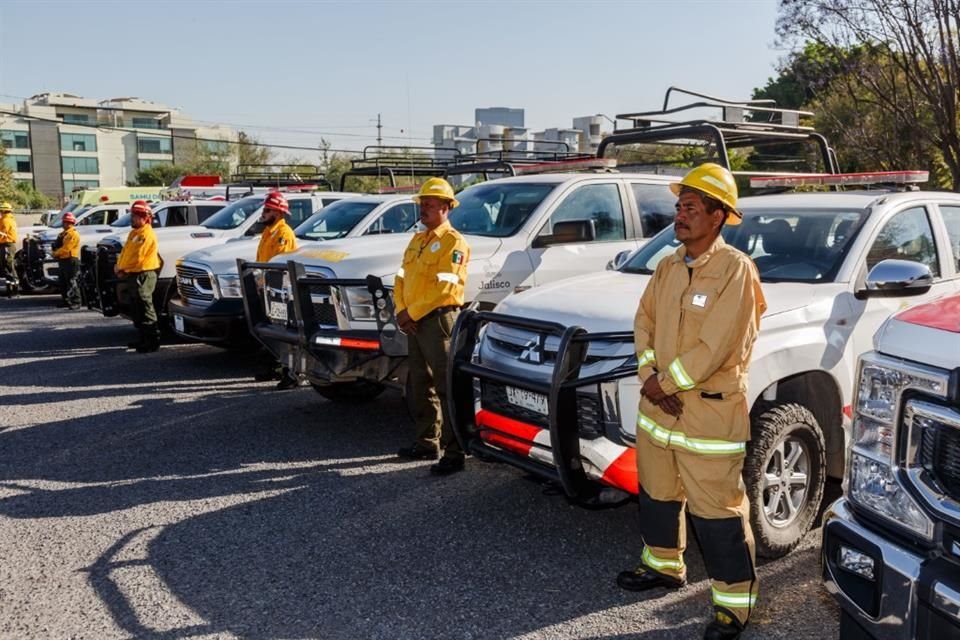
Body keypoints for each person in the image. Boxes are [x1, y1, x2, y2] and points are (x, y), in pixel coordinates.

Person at [617, 163, 767, 640]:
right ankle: (663, 566)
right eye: (679, 207)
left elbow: (717, 345)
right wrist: (649, 378)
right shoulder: (666, 266)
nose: (679, 215)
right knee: (657, 495)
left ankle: (733, 605)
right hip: (658, 410)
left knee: (718, 514)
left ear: (718, 216)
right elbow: (644, 323)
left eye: (691, 207)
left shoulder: (735, 271)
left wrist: (666, 384)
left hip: (708, 413)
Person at [395, 177, 471, 476]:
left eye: (429, 204)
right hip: (415, 321)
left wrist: (410, 313)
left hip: (437, 321)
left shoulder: (453, 242)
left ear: (446, 207)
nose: (423, 208)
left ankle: (454, 453)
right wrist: (401, 310)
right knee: (420, 383)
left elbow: (445, 288)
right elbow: (400, 277)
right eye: (422, 203)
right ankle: (427, 442)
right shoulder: (417, 240)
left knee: (445, 387)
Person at [252, 191, 301, 390]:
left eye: (267, 210)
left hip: (280, 290)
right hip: (268, 288)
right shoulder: (268, 231)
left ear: (278, 213)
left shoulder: (283, 233)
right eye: (264, 209)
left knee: (285, 331)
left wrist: (266, 281)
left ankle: (292, 374)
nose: (263, 213)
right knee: (272, 329)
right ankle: (273, 367)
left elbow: (280, 264)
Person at [115, 200, 161, 353]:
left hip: (144, 274)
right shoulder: (134, 233)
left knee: (145, 306)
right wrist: (120, 266)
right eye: (132, 215)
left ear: (144, 218)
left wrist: (122, 268)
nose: (132, 219)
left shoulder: (146, 234)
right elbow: (126, 253)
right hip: (133, 273)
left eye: (135, 216)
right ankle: (142, 338)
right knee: (137, 307)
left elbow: (138, 257)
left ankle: (152, 341)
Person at [52, 212, 81, 309]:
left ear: (71, 223)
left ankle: (76, 302)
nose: (65, 224)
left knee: (72, 282)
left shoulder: (73, 234)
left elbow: (66, 248)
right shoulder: (63, 234)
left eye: (67, 222)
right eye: (64, 222)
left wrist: (55, 253)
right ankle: (66, 301)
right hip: (62, 260)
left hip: (71, 260)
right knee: (63, 282)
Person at [0, 202, 19, 298]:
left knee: (8, 266)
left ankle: (13, 290)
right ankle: (12, 290)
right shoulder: (9, 219)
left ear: (3, 210)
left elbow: (2, 234)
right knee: (9, 266)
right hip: (8, 245)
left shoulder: (5, 221)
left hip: (7, 245)